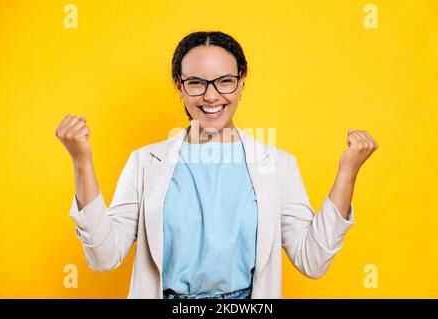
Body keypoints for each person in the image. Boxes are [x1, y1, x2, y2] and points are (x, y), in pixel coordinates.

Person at [54, 31, 378, 299]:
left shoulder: (278, 165)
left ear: (242, 82)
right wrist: (82, 163)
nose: (211, 96)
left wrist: (348, 172)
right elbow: (103, 256)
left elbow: (313, 260)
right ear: (179, 86)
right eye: (196, 82)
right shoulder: (144, 163)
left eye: (225, 81)